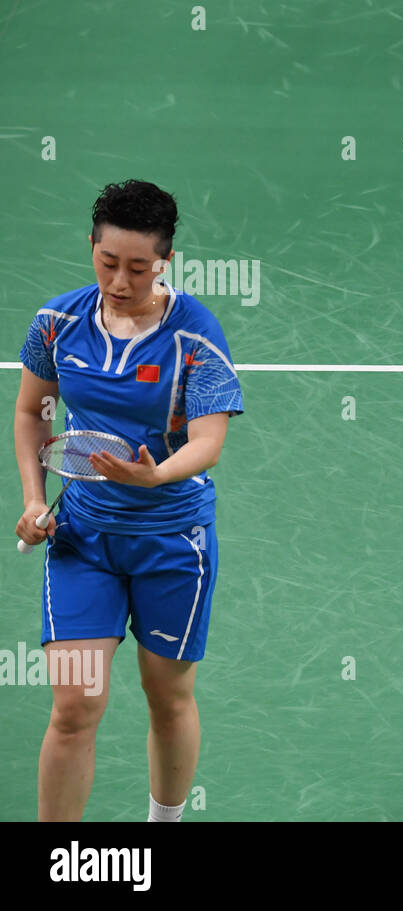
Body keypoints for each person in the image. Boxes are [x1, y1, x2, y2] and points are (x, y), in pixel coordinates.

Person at [13, 179, 244, 822]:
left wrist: (157, 475)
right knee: (75, 706)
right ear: (91, 246)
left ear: (164, 260)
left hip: (172, 540)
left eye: (139, 268)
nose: (121, 280)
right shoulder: (57, 323)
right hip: (84, 539)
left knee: (166, 696)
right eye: (108, 262)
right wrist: (35, 503)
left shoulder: (193, 334)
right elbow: (32, 412)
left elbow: (209, 441)